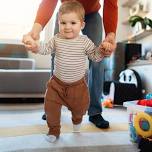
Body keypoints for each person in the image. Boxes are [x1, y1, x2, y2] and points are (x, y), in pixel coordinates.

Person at [23, 1, 115, 142]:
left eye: (73, 24)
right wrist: (35, 39)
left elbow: (95, 55)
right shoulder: (56, 39)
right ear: (59, 23)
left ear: (81, 25)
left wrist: (106, 44)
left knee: (96, 64)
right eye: (63, 24)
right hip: (65, 11)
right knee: (55, 58)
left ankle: (94, 111)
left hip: (92, 14)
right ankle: (52, 114)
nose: (67, 28)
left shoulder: (85, 42)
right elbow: (46, 48)